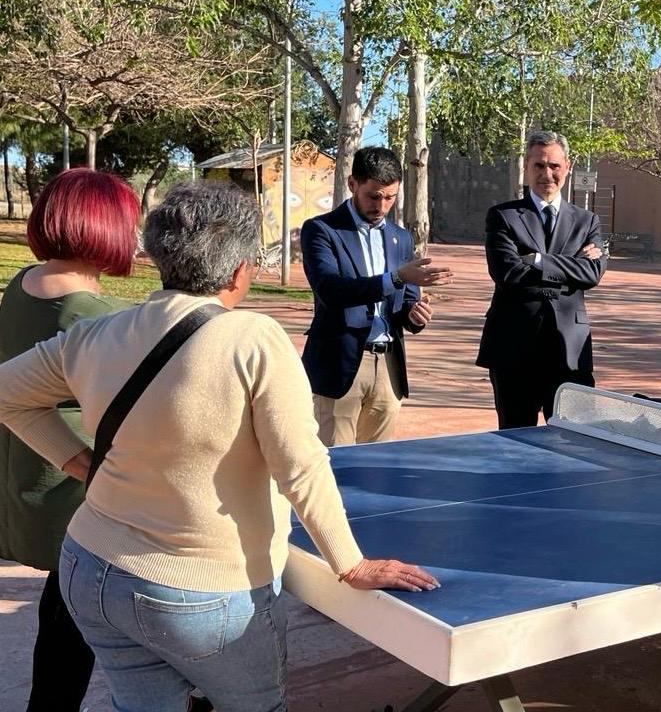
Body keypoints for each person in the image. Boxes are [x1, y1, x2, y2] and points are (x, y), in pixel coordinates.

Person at [0, 183, 439, 712]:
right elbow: (300, 465)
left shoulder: (97, 333)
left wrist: (79, 462)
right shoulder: (254, 338)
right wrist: (349, 565)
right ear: (239, 271)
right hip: (202, 594)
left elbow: (9, 397)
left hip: (90, 570)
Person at [0, 169, 138, 711]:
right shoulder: (98, 318)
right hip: (76, 492)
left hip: (26, 475)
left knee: (61, 614)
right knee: (80, 633)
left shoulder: (21, 284)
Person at [301, 146, 453, 445]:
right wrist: (396, 278)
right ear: (352, 184)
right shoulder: (321, 230)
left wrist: (415, 314)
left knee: (377, 470)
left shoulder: (401, 238)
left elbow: (406, 301)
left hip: (388, 369)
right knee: (336, 470)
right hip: (341, 368)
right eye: (374, 196)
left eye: (390, 197)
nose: (382, 206)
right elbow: (331, 290)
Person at [476, 130, 607, 429]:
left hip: (569, 351)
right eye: (539, 165)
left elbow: (592, 273)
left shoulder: (587, 222)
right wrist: (572, 267)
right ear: (526, 166)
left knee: (572, 436)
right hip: (514, 346)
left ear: (568, 167)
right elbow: (507, 273)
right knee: (515, 437)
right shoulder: (503, 217)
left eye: (554, 166)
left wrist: (537, 260)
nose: (547, 174)